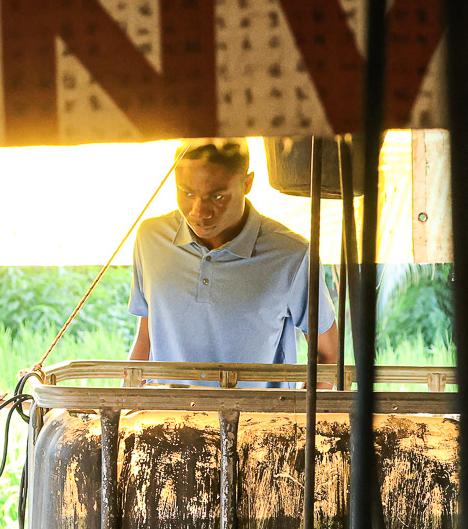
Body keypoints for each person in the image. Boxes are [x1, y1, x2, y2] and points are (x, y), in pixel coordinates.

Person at [129, 138, 339, 370]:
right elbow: (146, 339)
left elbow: (328, 356)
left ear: (247, 183)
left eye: (216, 196)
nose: (199, 212)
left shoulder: (293, 255)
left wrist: (291, 407)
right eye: (187, 193)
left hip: (256, 408)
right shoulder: (151, 239)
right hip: (164, 408)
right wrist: (121, 404)